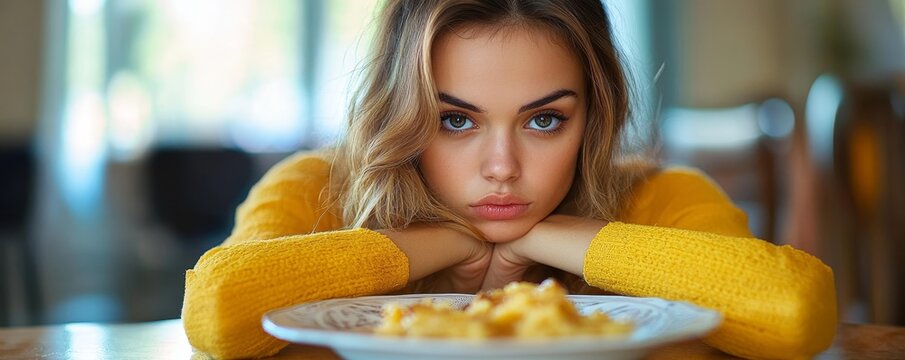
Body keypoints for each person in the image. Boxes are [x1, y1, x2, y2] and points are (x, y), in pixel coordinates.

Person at [182, 1, 836, 359]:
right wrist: (437, 245)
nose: (502, 167)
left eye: (545, 120)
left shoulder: (662, 196)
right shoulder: (316, 186)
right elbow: (215, 311)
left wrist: (562, 239)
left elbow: (795, 310)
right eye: (456, 121)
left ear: (594, 116)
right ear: (403, 115)